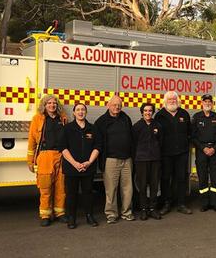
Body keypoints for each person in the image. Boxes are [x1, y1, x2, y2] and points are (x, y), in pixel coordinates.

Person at [27, 94, 68, 226]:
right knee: (45, 188)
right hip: (45, 156)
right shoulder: (37, 119)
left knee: (61, 187)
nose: (52, 105)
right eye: (49, 103)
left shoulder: (63, 118)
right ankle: (45, 215)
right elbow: (32, 141)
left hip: (61, 156)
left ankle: (60, 213)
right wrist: (30, 160)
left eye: (54, 103)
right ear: (44, 105)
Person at [59, 103, 101, 229]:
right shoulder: (67, 129)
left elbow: (98, 146)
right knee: (71, 194)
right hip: (72, 168)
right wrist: (75, 164)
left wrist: (89, 162)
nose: (80, 112)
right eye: (78, 110)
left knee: (88, 193)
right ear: (73, 113)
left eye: (83, 110)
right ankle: (71, 218)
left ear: (86, 112)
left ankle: (89, 216)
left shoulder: (93, 128)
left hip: (88, 168)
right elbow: (63, 148)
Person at [95, 95, 135, 224]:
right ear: (108, 105)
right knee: (111, 189)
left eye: (119, 105)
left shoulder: (126, 118)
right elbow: (98, 143)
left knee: (127, 188)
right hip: (110, 160)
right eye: (114, 105)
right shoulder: (101, 121)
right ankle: (111, 214)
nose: (117, 107)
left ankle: (127, 212)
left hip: (127, 160)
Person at [155, 91, 193, 215]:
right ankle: (166, 203)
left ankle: (181, 204)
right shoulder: (160, 115)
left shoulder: (184, 114)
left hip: (182, 153)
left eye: (174, 99)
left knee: (181, 178)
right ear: (165, 101)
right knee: (165, 178)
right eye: (170, 99)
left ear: (178, 101)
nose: (172, 101)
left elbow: (189, 133)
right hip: (166, 154)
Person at [191, 94, 216, 212]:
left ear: (212, 104)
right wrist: (203, 148)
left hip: (215, 151)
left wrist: (214, 148)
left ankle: (215, 203)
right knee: (202, 177)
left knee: (215, 177)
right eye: (205, 102)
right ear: (202, 103)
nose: (208, 103)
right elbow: (193, 137)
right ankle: (204, 203)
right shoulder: (197, 117)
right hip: (201, 151)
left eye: (210, 101)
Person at [132, 103, 163, 220]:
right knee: (142, 185)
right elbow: (133, 144)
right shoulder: (137, 127)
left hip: (155, 159)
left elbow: (161, 142)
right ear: (142, 112)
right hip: (141, 160)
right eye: (145, 111)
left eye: (150, 111)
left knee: (155, 185)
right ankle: (144, 209)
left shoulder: (158, 126)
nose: (148, 113)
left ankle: (153, 208)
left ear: (153, 112)